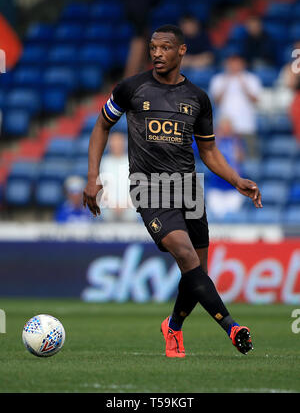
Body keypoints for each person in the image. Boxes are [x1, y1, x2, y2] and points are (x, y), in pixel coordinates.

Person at [83, 24, 262, 358]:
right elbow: (101, 126)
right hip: (149, 188)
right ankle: (232, 327)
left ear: (181, 51)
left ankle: (174, 327)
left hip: (188, 188)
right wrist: (93, 176)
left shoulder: (197, 98)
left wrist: (237, 180)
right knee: (185, 254)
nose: (156, 54)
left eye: (164, 48)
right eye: (153, 47)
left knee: (196, 273)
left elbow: (208, 152)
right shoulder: (131, 88)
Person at [209, 52, 262, 157]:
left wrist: (243, 85)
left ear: (243, 64)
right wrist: (226, 83)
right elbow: (216, 101)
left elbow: (256, 100)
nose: (234, 66)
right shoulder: (218, 79)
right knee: (223, 158)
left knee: (251, 157)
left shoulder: (251, 79)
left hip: (246, 125)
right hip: (225, 127)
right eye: (232, 63)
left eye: (237, 63)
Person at [206, 117, 246, 219]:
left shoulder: (236, 142)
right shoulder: (214, 142)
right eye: (224, 127)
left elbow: (240, 158)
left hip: (233, 189)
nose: (226, 129)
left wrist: (236, 141)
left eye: (228, 127)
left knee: (232, 218)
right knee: (215, 218)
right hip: (216, 188)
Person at [100, 131, 139, 221]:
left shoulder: (132, 162)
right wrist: (113, 205)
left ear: (124, 144)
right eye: (114, 142)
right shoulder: (104, 163)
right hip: (109, 207)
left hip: (129, 207)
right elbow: (102, 188)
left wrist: (125, 205)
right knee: (105, 215)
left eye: (119, 142)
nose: (116, 145)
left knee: (132, 215)